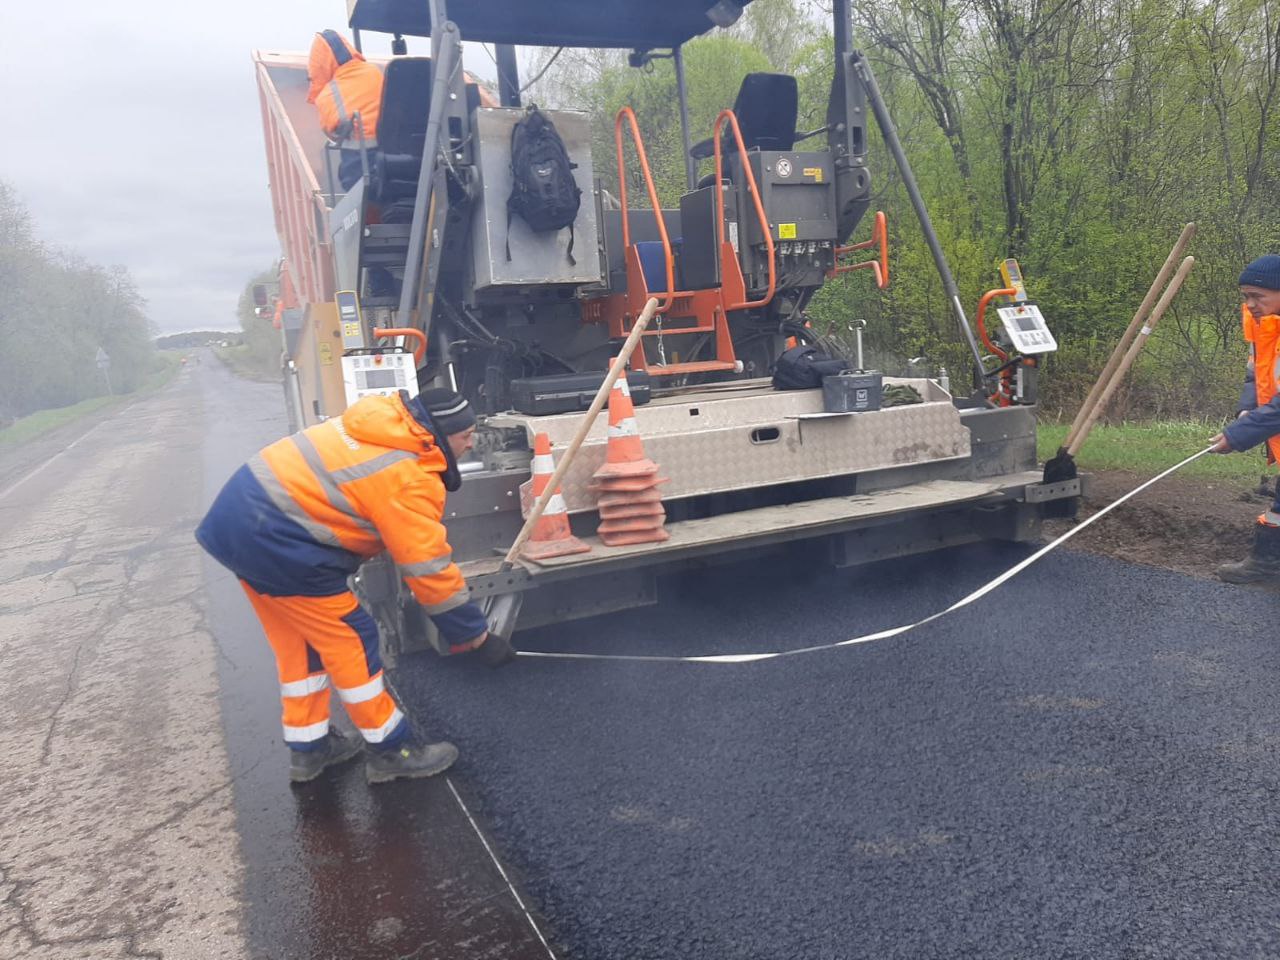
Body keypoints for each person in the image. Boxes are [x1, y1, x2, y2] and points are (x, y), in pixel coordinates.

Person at [196, 388, 502, 785]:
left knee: (302, 646)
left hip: (240, 527)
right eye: (467, 435)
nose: (472, 442)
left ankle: (310, 749)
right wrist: (475, 636)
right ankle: (392, 750)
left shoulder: (382, 426)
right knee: (353, 638)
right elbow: (428, 570)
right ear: (443, 434)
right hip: (280, 543)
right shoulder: (407, 475)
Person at [1209, 254, 1280, 582]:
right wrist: (1246, 408)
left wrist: (1238, 435)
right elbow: (1256, 374)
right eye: (1246, 296)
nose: (1250, 303)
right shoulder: (1262, 323)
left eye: (1258, 296)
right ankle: (1265, 565)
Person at [307, 30, 382, 191]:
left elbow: (331, 131)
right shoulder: (373, 71)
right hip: (391, 150)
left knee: (344, 176)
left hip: (360, 164)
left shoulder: (327, 94)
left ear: (319, 65)